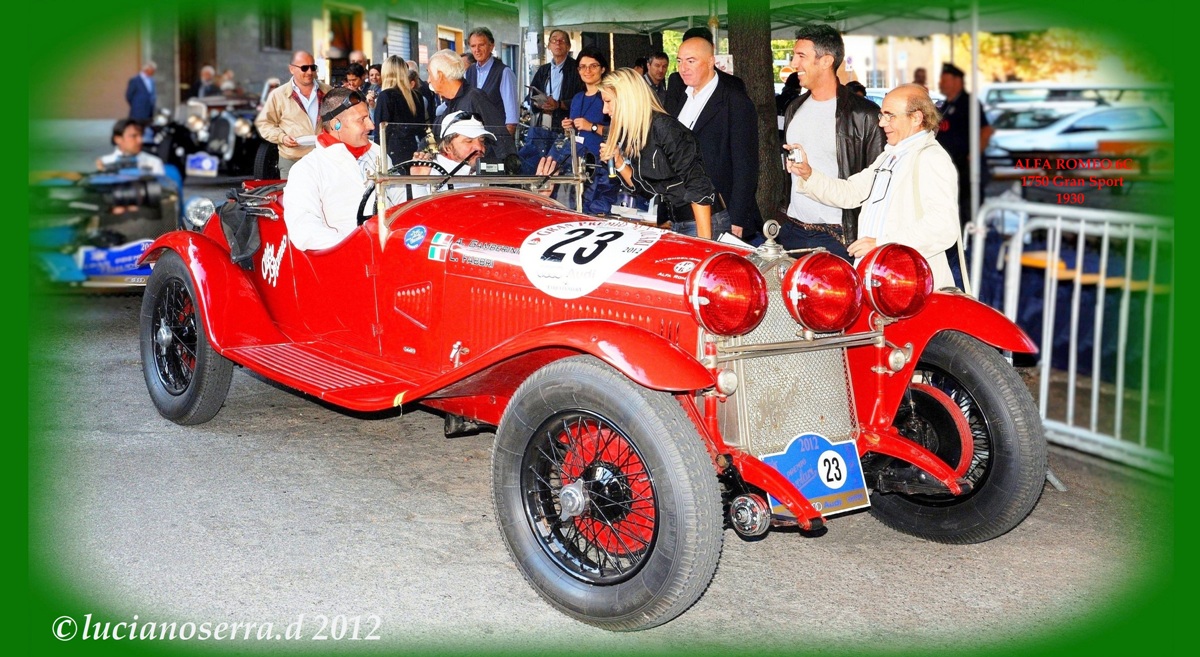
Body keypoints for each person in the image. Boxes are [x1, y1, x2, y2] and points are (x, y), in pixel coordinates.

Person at [784, 85, 960, 289]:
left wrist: (881, 243)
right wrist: (807, 174)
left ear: (916, 118)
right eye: (881, 114)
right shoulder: (891, 155)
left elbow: (943, 226)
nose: (882, 123)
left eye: (890, 116)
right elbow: (850, 193)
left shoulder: (931, 157)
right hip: (886, 280)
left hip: (910, 285)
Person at [780, 24, 885, 261]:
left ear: (826, 61)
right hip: (794, 229)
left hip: (840, 236)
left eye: (801, 56)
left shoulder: (865, 115)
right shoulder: (794, 108)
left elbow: (881, 183)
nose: (794, 64)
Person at [599, 68, 717, 239]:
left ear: (626, 98)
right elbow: (646, 188)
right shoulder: (636, 133)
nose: (604, 110)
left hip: (701, 221)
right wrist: (618, 162)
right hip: (677, 221)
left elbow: (698, 184)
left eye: (608, 101)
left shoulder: (663, 127)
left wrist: (705, 243)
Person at [665, 32, 760, 239]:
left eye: (691, 61)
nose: (683, 68)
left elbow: (746, 165)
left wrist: (737, 218)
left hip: (718, 215)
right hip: (680, 212)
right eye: (679, 61)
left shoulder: (735, 102)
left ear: (711, 62)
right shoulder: (682, 97)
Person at [282, 89, 390, 251]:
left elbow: (400, 204)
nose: (371, 125)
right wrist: (356, 248)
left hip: (387, 256)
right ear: (336, 124)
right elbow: (304, 229)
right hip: (343, 265)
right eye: (362, 120)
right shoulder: (307, 170)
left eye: (369, 117)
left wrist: (419, 181)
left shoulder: (379, 154)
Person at [255, 50, 333, 179]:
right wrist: (281, 137)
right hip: (292, 160)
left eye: (312, 67)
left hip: (322, 157)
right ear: (292, 69)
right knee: (292, 198)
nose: (309, 72)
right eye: (304, 68)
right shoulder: (278, 95)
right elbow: (264, 124)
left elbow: (338, 120)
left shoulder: (327, 91)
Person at [427, 48, 514, 163]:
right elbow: (434, 135)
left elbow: (501, 140)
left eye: (429, 74)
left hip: (482, 175)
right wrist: (424, 154)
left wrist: (507, 174)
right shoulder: (449, 104)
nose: (428, 80)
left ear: (440, 75)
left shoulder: (476, 98)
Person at [561, 47, 619, 215]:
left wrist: (591, 126)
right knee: (575, 212)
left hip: (601, 169)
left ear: (602, 69)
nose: (587, 70)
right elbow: (575, 134)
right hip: (577, 167)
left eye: (593, 66)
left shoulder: (609, 96)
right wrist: (568, 127)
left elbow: (619, 132)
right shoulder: (578, 98)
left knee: (595, 215)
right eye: (583, 66)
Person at [937, 62, 993, 227]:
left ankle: (971, 249)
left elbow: (986, 131)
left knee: (968, 214)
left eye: (945, 80)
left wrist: (973, 155)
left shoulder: (969, 104)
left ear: (957, 81)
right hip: (951, 170)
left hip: (966, 171)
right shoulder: (947, 105)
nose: (941, 84)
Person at [464, 27, 519, 141]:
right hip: (474, 139)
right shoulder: (469, 72)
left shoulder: (504, 72)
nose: (477, 50)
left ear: (491, 46)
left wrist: (505, 145)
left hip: (496, 140)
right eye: (473, 46)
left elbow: (511, 119)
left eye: (481, 45)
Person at [373, 56, 427, 164]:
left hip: (392, 153)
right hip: (414, 149)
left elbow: (380, 131)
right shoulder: (417, 96)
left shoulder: (385, 96)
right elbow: (422, 127)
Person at [528, 29, 583, 131]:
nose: (558, 43)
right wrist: (538, 104)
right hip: (544, 122)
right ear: (549, 46)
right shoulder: (543, 70)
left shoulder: (577, 69)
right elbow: (531, 95)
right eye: (554, 40)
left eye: (562, 41)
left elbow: (582, 97)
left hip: (567, 123)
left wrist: (559, 104)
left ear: (568, 47)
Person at [96, 118, 165, 175]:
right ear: (118, 139)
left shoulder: (153, 163)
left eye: (141, 136)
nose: (140, 140)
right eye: (133, 136)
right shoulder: (104, 162)